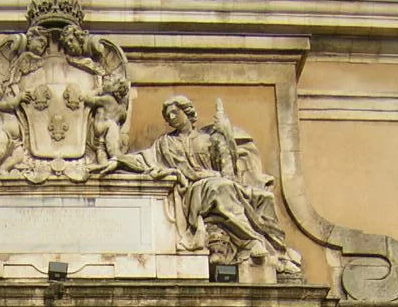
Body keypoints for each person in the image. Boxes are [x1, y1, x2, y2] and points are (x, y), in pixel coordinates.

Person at [116, 94, 288, 265]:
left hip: (217, 185)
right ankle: (252, 240)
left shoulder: (209, 139)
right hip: (192, 191)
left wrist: (226, 134)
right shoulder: (165, 143)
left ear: (187, 112)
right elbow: (146, 159)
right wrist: (116, 160)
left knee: (239, 191)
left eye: (175, 112)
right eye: (168, 116)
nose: (171, 118)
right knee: (219, 188)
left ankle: (254, 241)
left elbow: (229, 172)